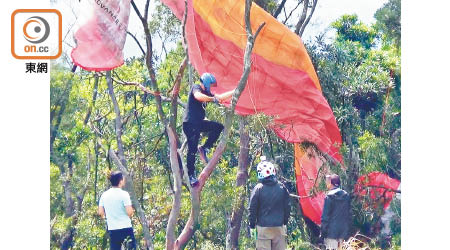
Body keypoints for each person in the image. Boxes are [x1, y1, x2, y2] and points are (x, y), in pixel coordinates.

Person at [182, 72, 234, 186]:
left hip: (199, 123)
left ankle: (205, 148)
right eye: (210, 85)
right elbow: (197, 96)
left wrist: (235, 91)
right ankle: (190, 176)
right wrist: (211, 99)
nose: (210, 88)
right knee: (192, 150)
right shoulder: (196, 88)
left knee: (218, 127)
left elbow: (219, 97)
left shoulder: (207, 93)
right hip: (190, 124)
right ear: (206, 83)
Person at [249, 156, 291, 250]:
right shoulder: (282, 187)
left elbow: (252, 209)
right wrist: (284, 222)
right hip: (279, 228)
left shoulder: (258, 189)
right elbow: (287, 207)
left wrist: (252, 225)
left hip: (263, 229)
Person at [98, 171, 136, 250]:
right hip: (126, 228)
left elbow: (100, 212)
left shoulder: (104, 195)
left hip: (113, 229)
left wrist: (109, 217)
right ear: (120, 181)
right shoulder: (124, 194)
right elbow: (129, 212)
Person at [320, 174, 351, 250]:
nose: (326, 183)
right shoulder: (346, 196)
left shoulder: (329, 197)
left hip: (331, 234)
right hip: (343, 233)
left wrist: (322, 234)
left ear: (331, 183)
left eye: (328, 181)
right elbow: (349, 215)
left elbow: (325, 218)